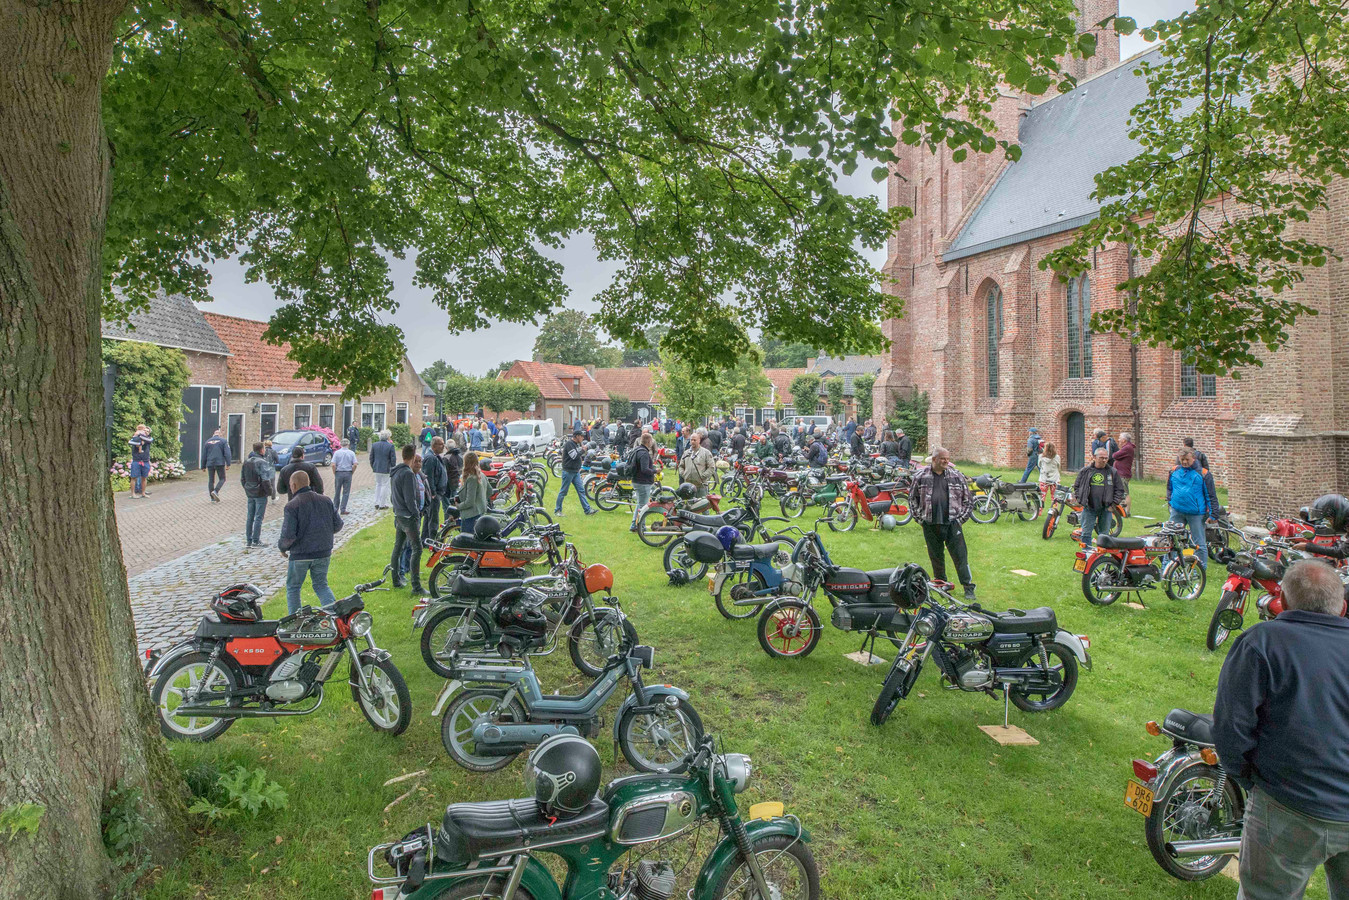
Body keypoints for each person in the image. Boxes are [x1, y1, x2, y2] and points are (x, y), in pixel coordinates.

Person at [1214, 559, 1349, 900]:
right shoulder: (1262, 643)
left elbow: (1231, 728)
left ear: (1283, 603)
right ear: (1342, 607)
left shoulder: (1261, 641)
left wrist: (1251, 779)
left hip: (1287, 804)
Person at [909, 447, 977, 600]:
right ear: (934, 459)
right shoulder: (921, 476)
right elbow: (912, 499)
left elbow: (968, 501)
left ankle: (968, 587)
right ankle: (942, 586)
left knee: (960, 557)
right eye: (943, 459)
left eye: (948, 458)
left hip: (952, 523)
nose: (947, 461)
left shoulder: (956, 476)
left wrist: (960, 520)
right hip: (930, 524)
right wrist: (920, 519)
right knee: (936, 557)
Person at [278, 470, 343, 614]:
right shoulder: (326, 500)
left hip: (300, 554)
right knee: (321, 585)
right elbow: (338, 525)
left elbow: (288, 534)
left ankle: (295, 622)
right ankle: (334, 617)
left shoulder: (292, 505)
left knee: (293, 588)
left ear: (293, 486)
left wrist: (282, 547)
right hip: (323, 552)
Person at [1165, 448, 1217, 572]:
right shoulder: (1174, 471)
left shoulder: (1203, 474)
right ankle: (1169, 568)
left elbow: (1211, 495)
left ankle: (1200, 570)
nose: (1184, 462)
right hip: (1177, 511)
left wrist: (1213, 514)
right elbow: (1169, 488)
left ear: (1193, 458)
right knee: (1171, 540)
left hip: (1196, 513)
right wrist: (1170, 502)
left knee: (1199, 543)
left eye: (1187, 459)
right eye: (1181, 459)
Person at [389, 444, 427, 595]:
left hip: (399, 515)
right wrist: (416, 515)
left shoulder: (395, 472)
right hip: (408, 517)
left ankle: (396, 579)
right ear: (412, 457)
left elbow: (393, 497)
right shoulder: (408, 474)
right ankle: (416, 586)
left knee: (398, 548)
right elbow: (410, 499)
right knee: (417, 549)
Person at [1073, 447, 1127, 549]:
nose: (1104, 460)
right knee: (1086, 534)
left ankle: (1101, 557)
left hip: (1106, 508)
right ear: (1094, 457)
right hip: (1089, 507)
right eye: (1101, 457)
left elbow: (1119, 490)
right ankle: (1086, 555)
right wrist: (1080, 499)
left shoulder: (1112, 472)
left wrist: (1113, 504)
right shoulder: (1086, 471)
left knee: (1104, 535)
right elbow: (1077, 486)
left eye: (1106, 458)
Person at [239, 442, 276, 547]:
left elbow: (242, 478)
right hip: (260, 493)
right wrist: (269, 492)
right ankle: (256, 540)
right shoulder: (262, 462)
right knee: (258, 517)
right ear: (262, 450)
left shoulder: (246, 462)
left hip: (250, 492)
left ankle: (249, 540)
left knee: (250, 516)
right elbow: (265, 480)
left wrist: (247, 488)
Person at [555, 429, 595, 515]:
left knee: (581, 491)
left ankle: (587, 510)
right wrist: (583, 450)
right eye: (581, 436)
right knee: (563, 491)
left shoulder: (576, 444)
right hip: (568, 471)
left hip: (575, 472)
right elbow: (574, 456)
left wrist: (582, 449)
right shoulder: (569, 444)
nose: (583, 438)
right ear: (577, 436)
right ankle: (557, 510)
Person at [421, 436, 448, 541]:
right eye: (441, 444)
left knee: (429, 517)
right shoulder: (431, 458)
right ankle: (431, 539)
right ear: (434, 445)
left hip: (437, 492)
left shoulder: (435, 456)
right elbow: (429, 477)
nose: (443, 446)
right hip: (433, 493)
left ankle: (425, 539)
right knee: (433, 518)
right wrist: (432, 493)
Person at [630, 432, 657, 533]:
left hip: (636, 480)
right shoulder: (644, 453)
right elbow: (644, 469)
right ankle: (642, 527)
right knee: (643, 506)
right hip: (642, 482)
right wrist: (655, 471)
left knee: (640, 503)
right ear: (649, 441)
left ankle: (634, 525)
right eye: (651, 441)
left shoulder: (637, 450)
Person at [458, 450, 489, 533]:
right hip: (481, 512)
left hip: (470, 515)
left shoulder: (472, 478)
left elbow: (470, 501)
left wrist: (458, 506)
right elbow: (490, 491)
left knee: (467, 542)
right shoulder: (482, 475)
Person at [679, 432, 716, 497]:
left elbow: (711, 467)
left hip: (701, 486)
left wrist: (703, 476)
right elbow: (681, 466)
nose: (692, 442)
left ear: (699, 440)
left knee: (702, 505)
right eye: (691, 440)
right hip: (688, 486)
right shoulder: (686, 453)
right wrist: (684, 474)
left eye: (694, 440)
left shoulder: (706, 453)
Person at [202, 427, 232, 501]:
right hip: (219, 462)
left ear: (213, 435)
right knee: (222, 478)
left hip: (210, 463)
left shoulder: (207, 442)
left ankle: (212, 498)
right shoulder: (223, 441)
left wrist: (203, 466)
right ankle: (215, 491)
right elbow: (227, 453)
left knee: (211, 480)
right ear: (220, 435)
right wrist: (228, 463)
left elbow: (204, 455)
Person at [370, 429, 396, 509]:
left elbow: (371, 457)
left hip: (377, 467)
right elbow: (393, 459)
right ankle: (382, 504)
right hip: (386, 468)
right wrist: (393, 467)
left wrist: (373, 466)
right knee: (385, 485)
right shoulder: (390, 446)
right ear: (388, 437)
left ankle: (376, 502)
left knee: (378, 484)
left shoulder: (374, 445)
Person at [331, 438, 358, 515]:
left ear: (340, 444)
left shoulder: (337, 453)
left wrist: (334, 472)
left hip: (338, 473)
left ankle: (335, 508)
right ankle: (343, 509)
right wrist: (352, 471)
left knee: (337, 491)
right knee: (346, 492)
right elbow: (355, 464)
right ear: (348, 444)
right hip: (348, 473)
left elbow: (333, 464)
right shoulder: (351, 453)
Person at [128, 424, 153, 498]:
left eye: (147, 431)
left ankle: (143, 493)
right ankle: (133, 494)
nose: (146, 432)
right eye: (144, 430)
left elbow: (149, 440)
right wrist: (137, 436)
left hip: (145, 460)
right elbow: (131, 442)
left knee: (144, 477)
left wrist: (140, 436)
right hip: (136, 460)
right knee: (133, 477)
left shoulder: (148, 439)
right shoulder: (135, 438)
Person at [442, 443, 463, 518]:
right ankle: (456, 521)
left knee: (447, 507)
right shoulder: (460, 456)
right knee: (455, 504)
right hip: (457, 482)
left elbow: (444, 473)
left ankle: (447, 523)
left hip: (448, 484)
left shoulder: (446, 458)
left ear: (446, 448)